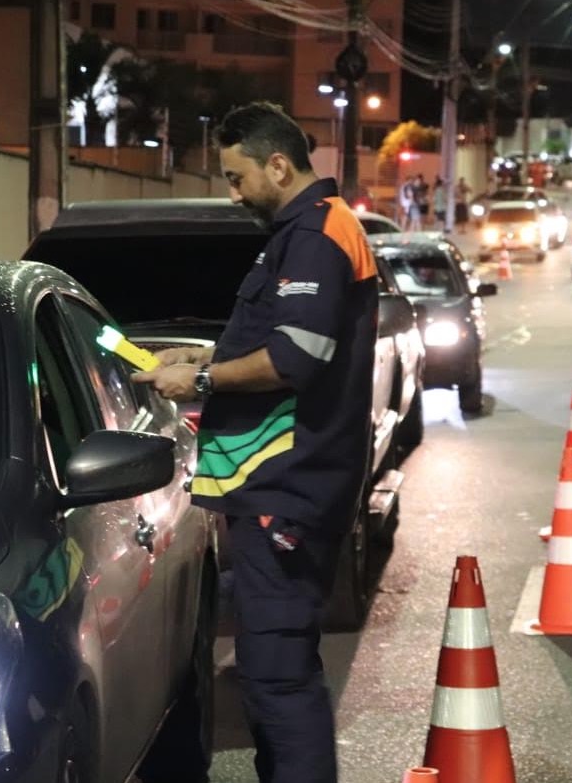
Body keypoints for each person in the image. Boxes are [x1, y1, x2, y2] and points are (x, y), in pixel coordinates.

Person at [132, 101, 377, 783]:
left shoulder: (319, 234)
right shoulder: (306, 232)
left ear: (278, 163)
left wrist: (202, 379)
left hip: (289, 489)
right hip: (284, 489)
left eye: (239, 177)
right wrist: (207, 349)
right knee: (278, 674)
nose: (233, 193)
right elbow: (280, 340)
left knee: (277, 681)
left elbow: (296, 356)